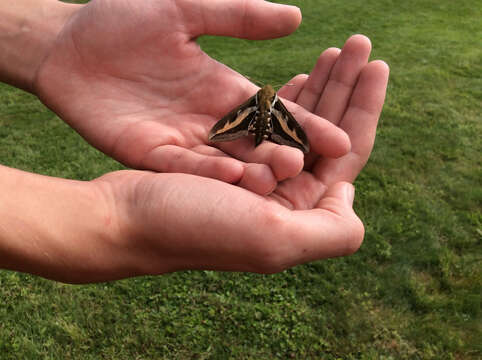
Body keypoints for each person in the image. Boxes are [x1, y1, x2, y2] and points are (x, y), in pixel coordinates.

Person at [0, 0, 389, 283]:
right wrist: (121, 218)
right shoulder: (265, 112)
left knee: (269, 136)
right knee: (281, 139)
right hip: (265, 123)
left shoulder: (253, 109)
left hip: (256, 121)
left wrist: (59, 37)